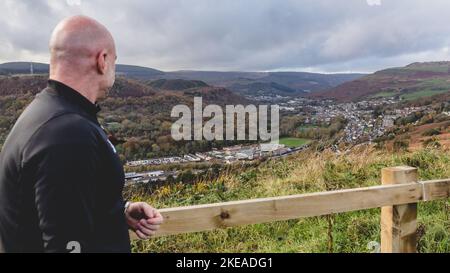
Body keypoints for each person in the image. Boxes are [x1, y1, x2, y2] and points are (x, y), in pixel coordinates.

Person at [0, 15, 163, 253]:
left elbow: (60, 208)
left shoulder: (47, 115)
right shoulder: (68, 133)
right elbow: (65, 244)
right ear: (103, 60)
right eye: (115, 61)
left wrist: (117, 210)